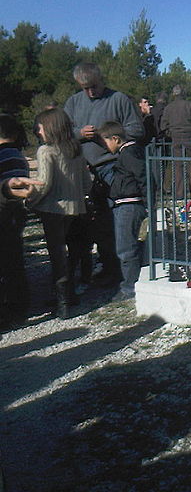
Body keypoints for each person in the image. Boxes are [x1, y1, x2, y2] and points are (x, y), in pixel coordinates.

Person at [64, 62, 144, 286]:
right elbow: (61, 131)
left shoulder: (118, 99)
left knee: (118, 222)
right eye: (85, 88)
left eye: (94, 86)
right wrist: (79, 133)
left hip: (114, 168)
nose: (90, 92)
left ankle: (123, 273)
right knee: (97, 226)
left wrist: (107, 135)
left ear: (102, 80)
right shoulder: (73, 102)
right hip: (84, 170)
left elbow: (137, 130)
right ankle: (108, 267)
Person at [25, 109, 92, 319]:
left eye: (40, 128)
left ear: (49, 128)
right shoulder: (76, 149)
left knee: (57, 255)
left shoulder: (46, 151)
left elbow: (44, 184)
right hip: (76, 208)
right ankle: (70, 293)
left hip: (53, 209)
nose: (38, 132)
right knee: (72, 253)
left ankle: (62, 302)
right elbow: (87, 184)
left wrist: (30, 201)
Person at [97, 121, 147, 300]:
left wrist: (148, 201)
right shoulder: (126, 153)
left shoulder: (129, 153)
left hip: (129, 204)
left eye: (105, 142)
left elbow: (143, 176)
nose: (104, 147)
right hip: (125, 203)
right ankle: (133, 283)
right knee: (129, 246)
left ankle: (129, 288)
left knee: (126, 248)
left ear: (115, 139)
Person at [0, 115, 33, 328]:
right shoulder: (19, 156)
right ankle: (20, 305)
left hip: (2, 210)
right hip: (17, 211)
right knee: (14, 258)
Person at [161, 85, 191, 200]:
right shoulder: (190, 105)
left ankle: (179, 194)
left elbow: (163, 126)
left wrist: (172, 134)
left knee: (177, 166)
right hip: (189, 137)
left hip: (176, 138)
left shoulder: (169, 108)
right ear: (183, 93)